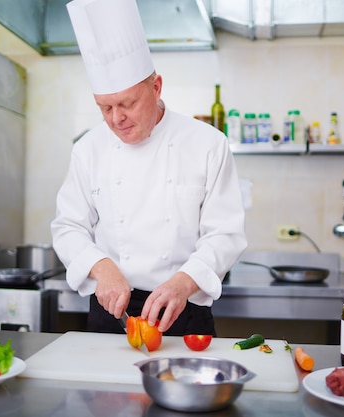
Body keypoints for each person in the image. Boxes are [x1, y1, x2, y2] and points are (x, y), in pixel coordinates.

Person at [51, 0, 247, 336]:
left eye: (127, 103)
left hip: (183, 311)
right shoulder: (87, 149)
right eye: (105, 107)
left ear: (156, 87)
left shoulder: (207, 144)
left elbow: (225, 234)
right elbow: (68, 226)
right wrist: (101, 267)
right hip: (110, 312)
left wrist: (184, 283)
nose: (116, 118)